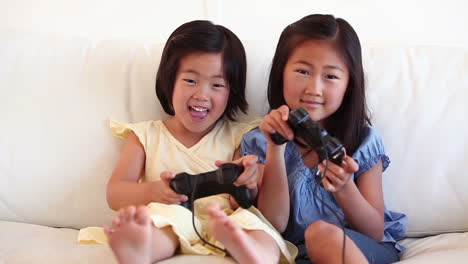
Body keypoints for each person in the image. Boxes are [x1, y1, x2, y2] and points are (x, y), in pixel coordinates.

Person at [77, 20, 296, 264]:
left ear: (231, 92)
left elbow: (241, 199)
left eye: (217, 84)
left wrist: (248, 182)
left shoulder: (240, 136)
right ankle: (140, 249)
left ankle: (255, 253)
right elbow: (115, 193)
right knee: (166, 220)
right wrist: (155, 192)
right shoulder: (146, 136)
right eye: (190, 80)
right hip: (172, 216)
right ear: (169, 81)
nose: (202, 95)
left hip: (225, 221)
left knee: (253, 224)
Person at [241, 14, 407, 264]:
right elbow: (274, 223)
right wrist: (275, 148)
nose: (314, 89)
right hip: (297, 253)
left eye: (330, 76)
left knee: (320, 234)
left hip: (359, 249)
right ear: (281, 73)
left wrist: (344, 187)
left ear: (349, 84)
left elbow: (374, 231)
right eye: (303, 71)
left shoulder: (362, 140)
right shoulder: (258, 142)